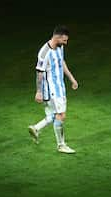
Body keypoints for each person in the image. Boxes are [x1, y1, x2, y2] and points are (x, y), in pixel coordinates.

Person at [28, 25, 78, 154]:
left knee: (54, 115)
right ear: (58, 37)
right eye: (64, 40)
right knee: (61, 115)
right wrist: (38, 91)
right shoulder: (44, 52)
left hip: (59, 87)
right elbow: (39, 73)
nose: (66, 43)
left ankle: (36, 128)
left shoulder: (59, 48)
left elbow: (62, 62)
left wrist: (72, 78)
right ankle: (61, 145)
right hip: (52, 90)